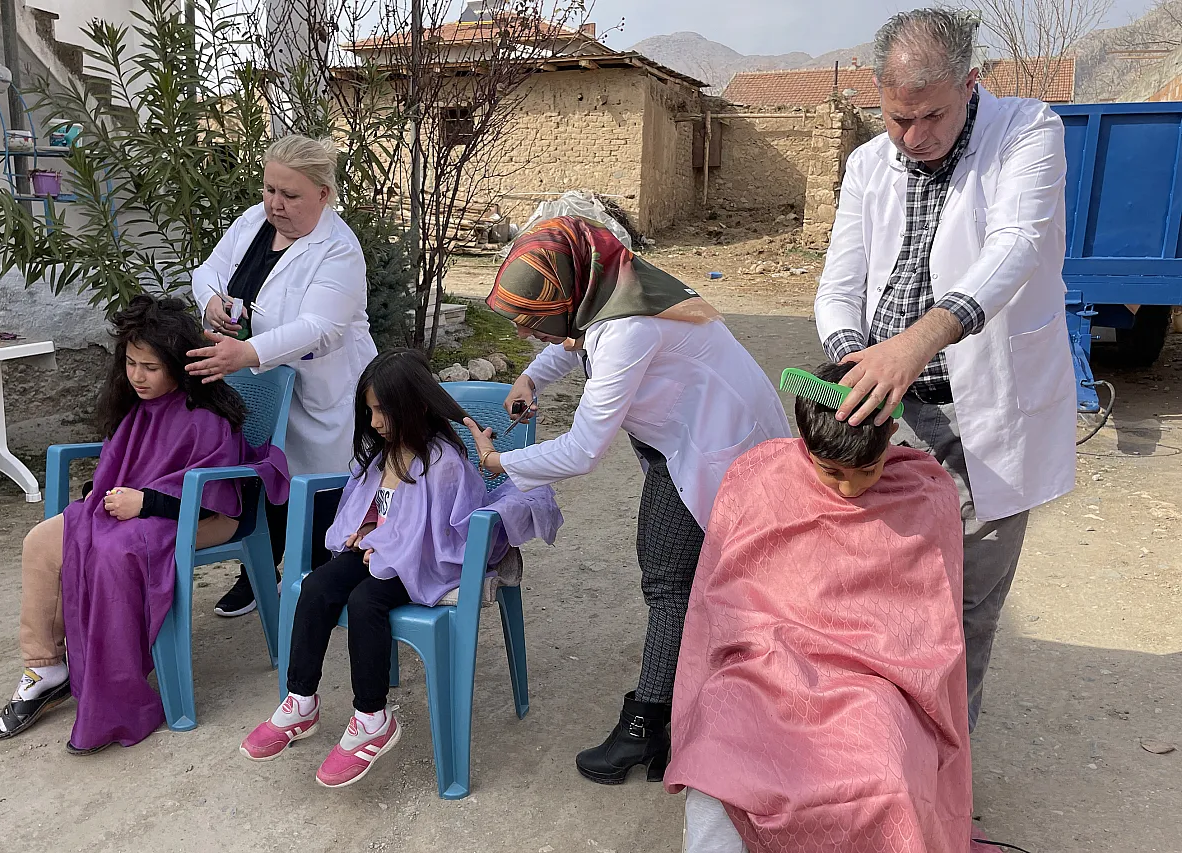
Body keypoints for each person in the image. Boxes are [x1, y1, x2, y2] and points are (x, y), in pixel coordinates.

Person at [814, 8, 1076, 731]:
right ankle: (882, 766)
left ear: (970, 83)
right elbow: (840, 285)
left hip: (983, 415)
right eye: (897, 117)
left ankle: (943, 789)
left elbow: (1016, 248)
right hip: (888, 420)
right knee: (881, 603)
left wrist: (916, 342)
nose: (914, 136)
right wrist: (851, 358)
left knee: (962, 614)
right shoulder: (871, 164)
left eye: (931, 115)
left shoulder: (1028, 132)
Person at [462, 215, 790, 785]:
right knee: (689, 579)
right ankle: (687, 708)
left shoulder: (629, 328)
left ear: (571, 293)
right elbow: (575, 337)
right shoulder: (617, 283)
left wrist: (497, 462)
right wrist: (532, 379)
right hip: (698, 434)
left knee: (669, 580)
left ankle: (648, 725)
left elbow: (584, 450)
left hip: (717, 448)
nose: (521, 331)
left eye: (529, 319)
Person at [666, 362, 972, 853]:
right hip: (761, 661)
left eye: (867, 470)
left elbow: (930, 621)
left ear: (891, 434)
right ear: (805, 445)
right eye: (831, 472)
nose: (850, 489)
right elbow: (720, 594)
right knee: (717, 762)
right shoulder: (759, 473)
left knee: (887, 780)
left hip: (877, 677)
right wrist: (776, 643)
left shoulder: (924, 490)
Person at [239, 349, 562, 788]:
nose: (373, 422)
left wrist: (386, 547)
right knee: (316, 586)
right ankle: (300, 700)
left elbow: (441, 535)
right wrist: (366, 530)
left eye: (382, 411)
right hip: (380, 554)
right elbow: (376, 508)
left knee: (365, 601)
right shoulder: (382, 457)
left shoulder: (445, 463)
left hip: (423, 564)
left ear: (416, 406)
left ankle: (371, 717)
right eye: (368, 411)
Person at [0, 296, 289, 753]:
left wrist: (146, 501)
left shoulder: (204, 418)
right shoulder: (135, 406)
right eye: (130, 363)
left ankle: (116, 688)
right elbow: (124, 462)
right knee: (42, 542)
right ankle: (46, 665)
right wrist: (103, 490)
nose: (137, 376)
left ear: (179, 365)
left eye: (150, 366)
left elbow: (214, 501)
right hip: (134, 508)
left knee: (114, 552)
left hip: (206, 519)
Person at [187, 134, 377, 618]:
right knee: (260, 474)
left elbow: (320, 327)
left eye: (290, 195)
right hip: (253, 379)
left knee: (321, 488)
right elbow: (207, 270)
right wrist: (211, 299)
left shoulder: (338, 249)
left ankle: (323, 585)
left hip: (322, 385)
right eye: (270, 189)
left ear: (323, 194)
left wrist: (247, 351)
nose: (275, 204)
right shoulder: (253, 221)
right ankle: (257, 576)